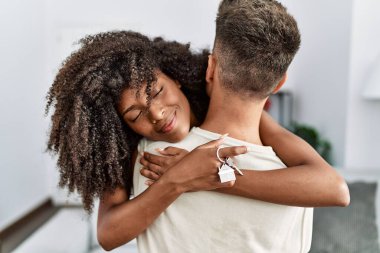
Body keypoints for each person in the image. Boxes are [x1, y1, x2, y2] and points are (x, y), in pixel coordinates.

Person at [45, 18, 348, 253]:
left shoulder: (227, 109)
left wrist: (213, 176)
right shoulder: (132, 150)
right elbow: (108, 234)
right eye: (135, 115)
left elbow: (334, 190)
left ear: (175, 78)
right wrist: (178, 180)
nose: (157, 114)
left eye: (157, 92)